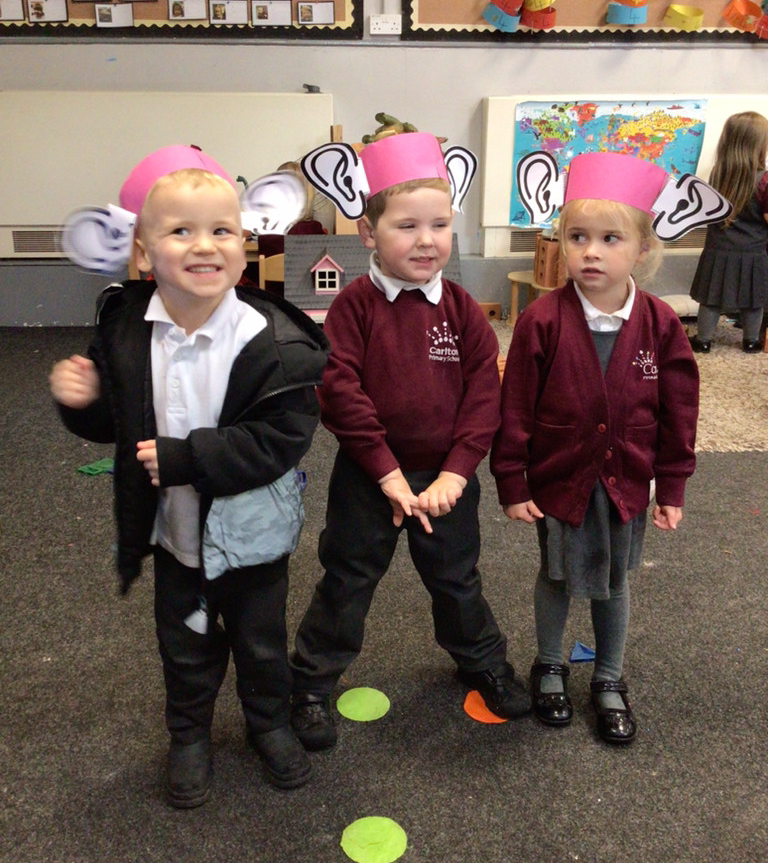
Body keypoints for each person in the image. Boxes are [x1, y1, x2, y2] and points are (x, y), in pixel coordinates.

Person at [50, 146, 330, 807]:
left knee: (261, 643)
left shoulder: (274, 340)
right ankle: (189, 735)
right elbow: (116, 424)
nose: (204, 245)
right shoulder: (126, 332)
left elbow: (284, 437)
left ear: (244, 244)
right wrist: (85, 401)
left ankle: (269, 723)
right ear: (143, 252)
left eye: (222, 230)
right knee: (184, 645)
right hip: (176, 535)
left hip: (252, 537)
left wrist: (188, 458)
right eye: (181, 230)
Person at [289, 131, 531, 751]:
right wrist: (387, 473)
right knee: (347, 580)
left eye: (440, 225)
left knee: (457, 579)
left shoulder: (464, 310)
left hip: (446, 481)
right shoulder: (352, 307)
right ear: (368, 232)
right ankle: (310, 684)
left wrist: (456, 472)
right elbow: (339, 393)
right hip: (370, 478)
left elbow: (484, 396)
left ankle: (482, 663)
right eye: (407, 226)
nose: (427, 240)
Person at [491, 151, 699, 745]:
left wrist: (672, 485)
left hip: (627, 481)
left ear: (642, 250)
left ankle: (608, 675)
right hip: (560, 479)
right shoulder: (541, 320)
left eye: (610, 239)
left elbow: (678, 412)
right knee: (556, 576)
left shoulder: (660, 324)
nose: (591, 252)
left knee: (615, 581)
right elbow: (515, 408)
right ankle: (549, 665)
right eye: (577, 237)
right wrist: (512, 481)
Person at [689, 111, 768, 353]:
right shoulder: (764, 180)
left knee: (711, 298)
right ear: (759, 145)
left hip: (718, 248)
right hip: (753, 251)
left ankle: (703, 340)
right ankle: (751, 341)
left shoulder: (717, 173)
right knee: (754, 300)